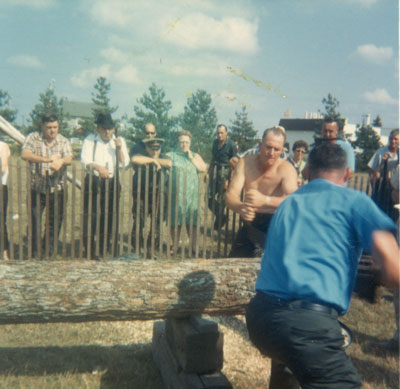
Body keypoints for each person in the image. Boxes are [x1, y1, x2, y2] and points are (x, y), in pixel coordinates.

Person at [246, 143, 399, 388]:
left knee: (289, 369)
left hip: (260, 319)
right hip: (307, 326)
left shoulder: (288, 204)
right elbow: (394, 270)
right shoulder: (355, 201)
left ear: (306, 171)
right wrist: (378, 273)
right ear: (348, 174)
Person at [226, 126, 298, 258]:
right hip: (251, 223)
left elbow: (294, 200)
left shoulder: (286, 169)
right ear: (260, 145)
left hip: (275, 224)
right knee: (235, 265)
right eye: (268, 147)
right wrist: (240, 207)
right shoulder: (245, 163)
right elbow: (231, 195)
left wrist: (266, 200)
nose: (271, 153)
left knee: (271, 270)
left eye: (276, 149)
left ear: (282, 150)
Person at [21, 113, 72, 258]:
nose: (52, 130)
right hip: (37, 188)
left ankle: (48, 252)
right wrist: (46, 159)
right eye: (49, 127)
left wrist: (61, 161)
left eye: (55, 127)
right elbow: (24, 154)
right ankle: (35, 252)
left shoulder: (63, 141)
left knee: (54, 222)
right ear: (42, 126)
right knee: (35, 221)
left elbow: (69, 157)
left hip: (58, 188)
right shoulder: (33, 138)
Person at [81, 112, 129, 259]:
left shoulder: (119, 141)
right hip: (94, 181)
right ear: (98, 129)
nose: (107, 132)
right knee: (92, 215)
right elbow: (85, 160)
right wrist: (98, 168)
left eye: (110, 128)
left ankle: (103, 248)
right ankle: (89, 247)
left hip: (112, 182)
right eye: (104, 128)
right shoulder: (91, 140)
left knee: (109, 216)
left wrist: (119, 148)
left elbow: (124, 163)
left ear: (113, 129)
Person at [167, 130, 207, 254]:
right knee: (175, 221)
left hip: (192, 194)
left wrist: (191, 158)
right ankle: (174, 247)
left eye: (186, 142)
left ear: (190, 143)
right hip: (176, 194)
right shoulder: (171, 155)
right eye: (181, 142)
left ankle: (194, 247)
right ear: (177, 143)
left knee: (193, 221)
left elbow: (202, 169)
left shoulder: (195, 155)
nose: (184, 145)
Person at [131, 137, 172, 256]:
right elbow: (134, 159)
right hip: (142, 195)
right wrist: (153, 161)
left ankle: (151, 247)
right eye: (152, 148)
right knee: (140, 220)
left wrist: (157, 161)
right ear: (146, 148)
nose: (155, 151)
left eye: (157, 148)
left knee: (157, 221)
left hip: (159, 195)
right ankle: (136, 245)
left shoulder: (164, 157)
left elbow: (169, 163)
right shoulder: (141, 155)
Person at [303, 117, 355, 182]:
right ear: (321, 130)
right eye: (325, 131)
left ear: (336, 131)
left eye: (330, 131)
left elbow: (350, 174)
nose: (327, 134)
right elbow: (305, 174)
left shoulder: (346, 148)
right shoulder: (315, 148)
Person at [207, 124, 237, 229]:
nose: (219, 135)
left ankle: (218, 224)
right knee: (208, 198)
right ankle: (222, 217)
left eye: (221, 133)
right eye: (218, 133)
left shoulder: (231, 144)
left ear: (226, 133)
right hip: (215, 171)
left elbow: (234, 163)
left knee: (222, 199)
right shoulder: (215, 143)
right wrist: (208, 171)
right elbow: (212, 157)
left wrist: (229, 180)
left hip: (225, 173)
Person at [368, 128, 399, 220]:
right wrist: (382, 163)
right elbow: (372, 172)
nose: (393, 141)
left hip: (395, 192)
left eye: (396, 139)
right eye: (391, 139)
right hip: (381, 190)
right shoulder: (381, 152)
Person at [0, 141, 10, 260]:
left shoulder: (2, 146)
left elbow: (2, 168)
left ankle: (3, 252)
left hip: (0, 186)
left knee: (0, 221)